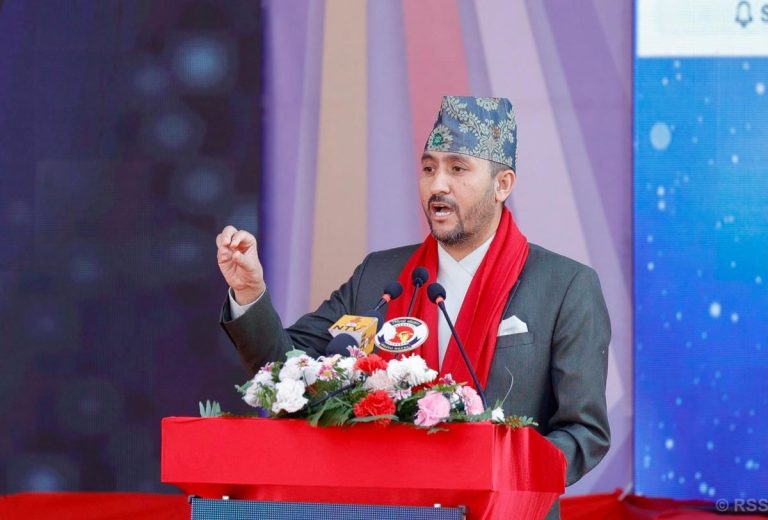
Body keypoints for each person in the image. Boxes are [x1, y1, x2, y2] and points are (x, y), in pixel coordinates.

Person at [216, 96, 610, 519]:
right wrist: (249, 292)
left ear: (502, 185)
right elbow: (284, 367)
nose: (438, 185)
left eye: (457, 169)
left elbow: (584, 432)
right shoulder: (380, 276)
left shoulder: (564, 285)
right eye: (428, 168)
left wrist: (507, 472)